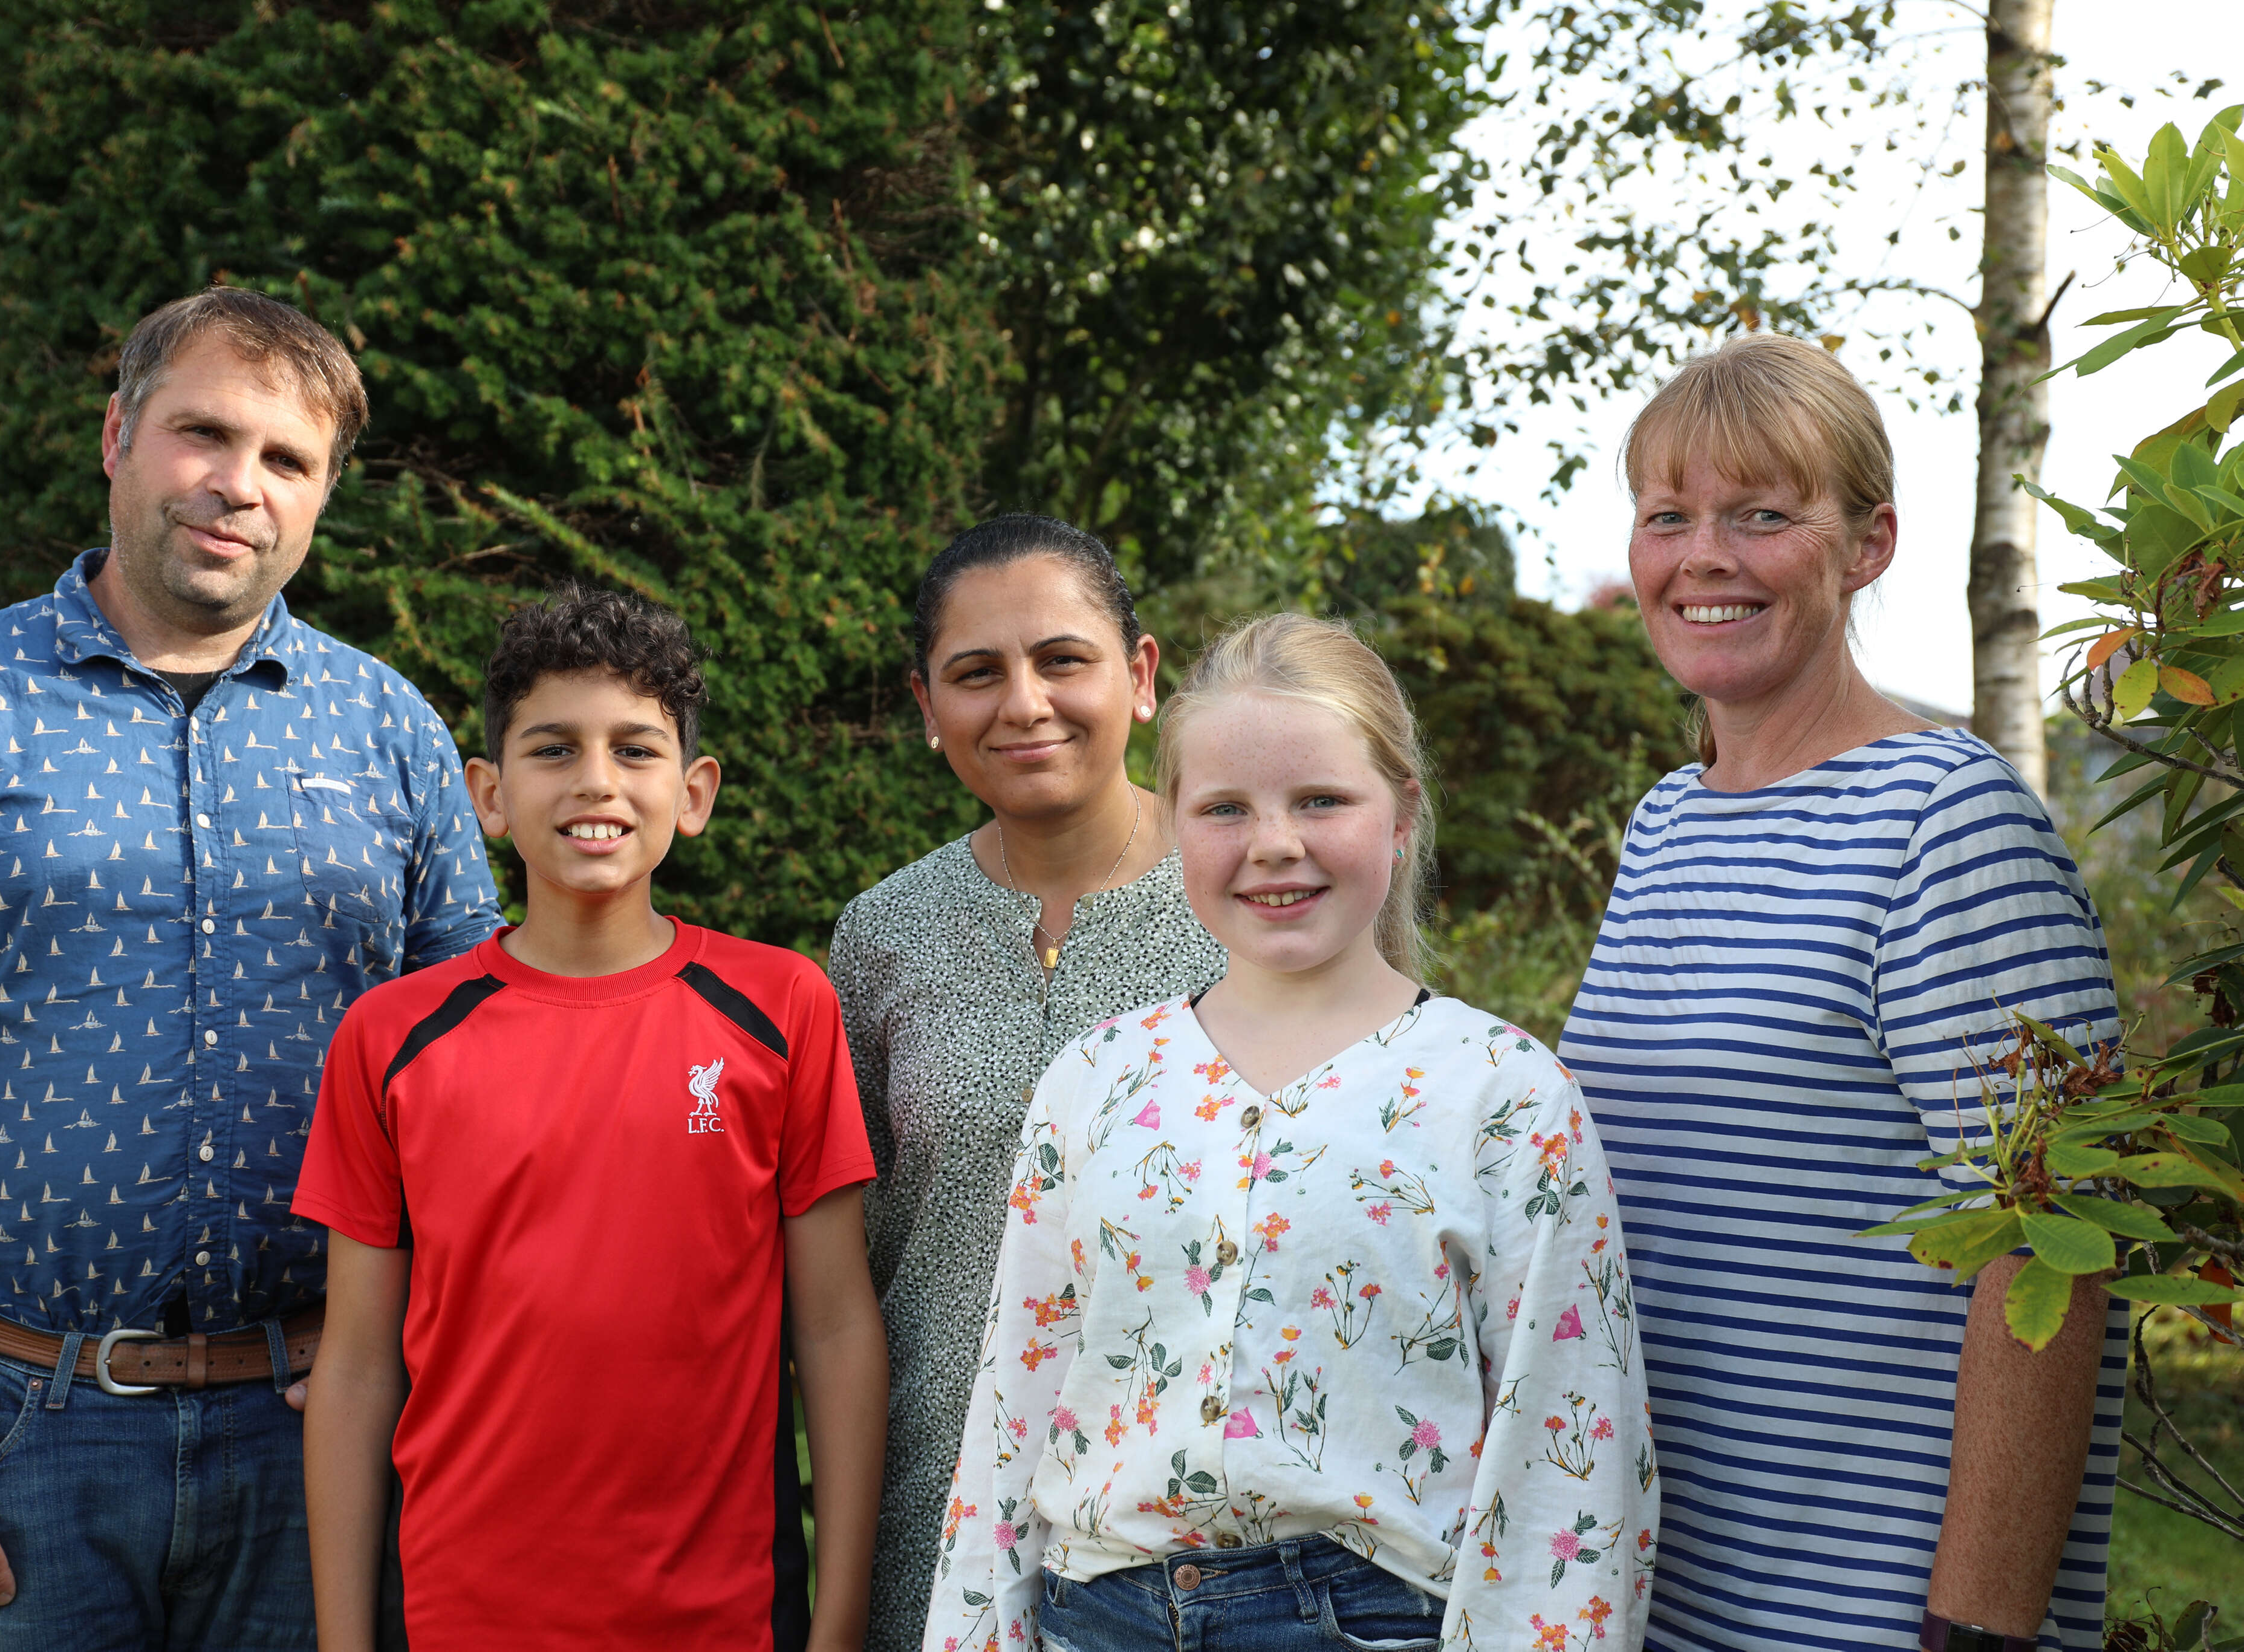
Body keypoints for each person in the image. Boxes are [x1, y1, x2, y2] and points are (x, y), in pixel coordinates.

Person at [0, 288, 502, 1650]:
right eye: (202, 433)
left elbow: (478, 1079)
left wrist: (436, 1360)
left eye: (287, 459)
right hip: (10, 1440)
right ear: (118, 436)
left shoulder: (393, 731)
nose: (239, 484)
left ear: (323, 494)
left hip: (316, 1430)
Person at [922, 613, 1656, 1652]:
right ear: (1176, 824)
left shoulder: (1503, 1095)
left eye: (1321, 800)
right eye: (1226, 808)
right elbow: (1015, 1402)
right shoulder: (1095, 1080)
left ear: (1401, 813)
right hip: (1095, 1619)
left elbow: (1566, 1452)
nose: (1274, 843)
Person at [1558, 333, 2124, 1652]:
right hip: (1661, 1595)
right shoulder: (1668, 821)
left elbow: (2052, 1241)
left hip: (1863, 1612)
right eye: (1668, 516)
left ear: (1867, 544)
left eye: (1762, 516)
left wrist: (1978, 1626)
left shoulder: (1946, 821)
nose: (1703, 557)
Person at [294, 587, 888, 1651]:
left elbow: (837, 1330)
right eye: (554, 749)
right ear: (489, 794)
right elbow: (355, 1367)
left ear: (694, 793)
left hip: (724, 1619)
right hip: (458, 1615)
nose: (597, 782)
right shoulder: (392, 1038)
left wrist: (838, 1626)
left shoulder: (783, 1007)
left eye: (636, 749)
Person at [827, 515, 1226, 1643]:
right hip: (933, 1513)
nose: (1024, 703)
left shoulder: (1251, 901)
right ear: (927, 707)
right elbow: (850, 1266)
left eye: (1062, 659)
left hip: (1191, 1545)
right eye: (976, 674)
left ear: (1139, 677)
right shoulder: (883, 936)